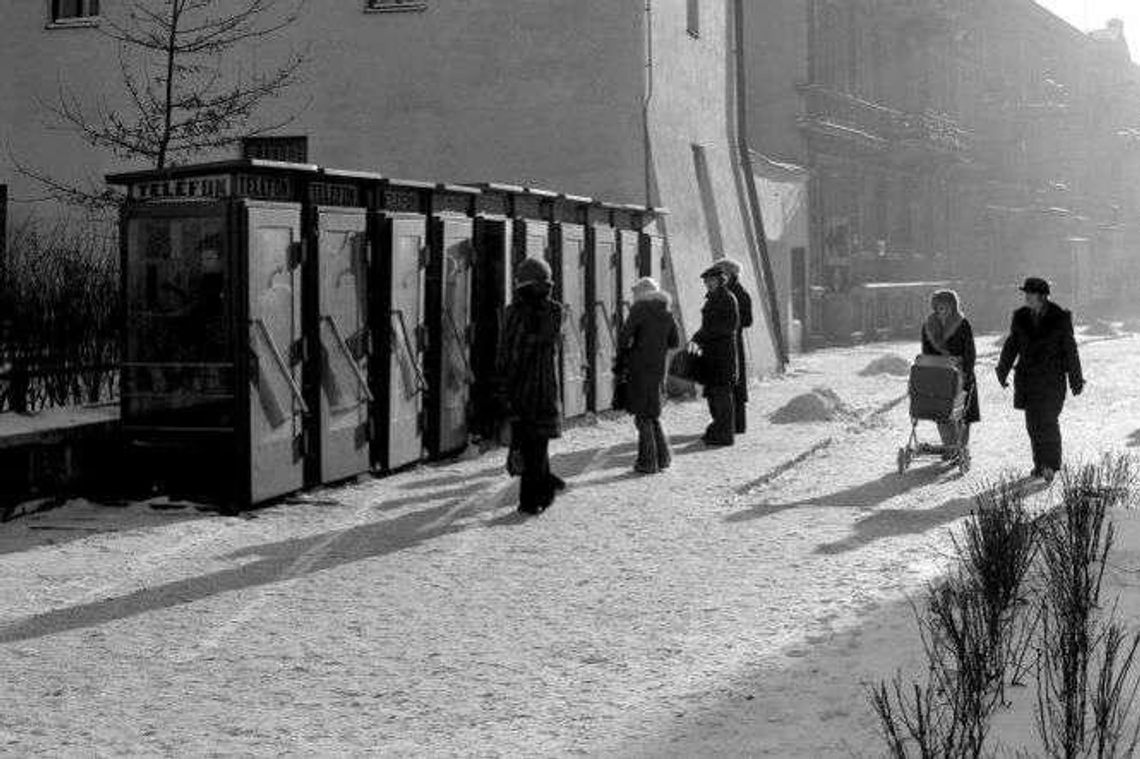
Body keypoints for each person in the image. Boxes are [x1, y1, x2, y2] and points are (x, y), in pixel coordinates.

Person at [995, 276, 1085, 484]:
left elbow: (1070, 349)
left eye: (1030, 293)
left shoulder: (1059, 317)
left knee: (1048, 421)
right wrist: (1002, 370)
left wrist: (1076, 379)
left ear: (1042, 296)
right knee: (1033, 424)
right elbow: (1011, 345)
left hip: (1052, 380)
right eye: (1025, 293)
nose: (1026, 296)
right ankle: (1039, 464)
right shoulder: (1021, 317)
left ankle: (1050, 465)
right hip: (1028, 380)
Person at [496, 257, 566, 513]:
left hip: (521, 389)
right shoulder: (555, 311)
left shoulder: (514, 313)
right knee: (538, 445)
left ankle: (533, 498)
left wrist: (502, 388)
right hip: (547, 390)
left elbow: (510, 354)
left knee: (527, 444)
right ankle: (542, 489)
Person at [617, 277, 680, 474]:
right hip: (658, 367)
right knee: (652, 413)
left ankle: (647, 462)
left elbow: (624, 338)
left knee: (642, 416)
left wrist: (631, 350)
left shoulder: (640, 309)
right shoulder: (667, 311)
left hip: (639, 367)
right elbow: (674, 342)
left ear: (642, 293)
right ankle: (663, 457)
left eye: (635, 293)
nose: (634, 297)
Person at [920, 289, 980, 454]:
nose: (942, 310)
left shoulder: (962, 323)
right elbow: (926, 353)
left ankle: (960, 447)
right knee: (942, 411)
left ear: (953, 306)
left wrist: (967, 372)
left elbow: (970, 351)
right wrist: (929, 371)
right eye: (939, 306)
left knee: (963, 412)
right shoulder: (929, 326)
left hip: (961, 373)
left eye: (946, 306)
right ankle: (949, 446)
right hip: (940, 374)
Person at [690, 264, 739, 446]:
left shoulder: (727, 299)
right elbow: (708, 326)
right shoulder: (712, 299)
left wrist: (706, 334)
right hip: (712, 354)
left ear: (720, 281)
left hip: (723, 355)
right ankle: (718, 429)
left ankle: (725, 434)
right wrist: (697, 337)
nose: (708, 284)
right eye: (706, 282)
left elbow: (729, 326)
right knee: (712, 394)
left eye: (711, 281)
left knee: (721, 395)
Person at [715, 257, 753, 435]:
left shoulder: (739, 293)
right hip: (722, 342)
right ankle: (727, 423)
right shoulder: (723, 292)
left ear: (729, 274)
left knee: (734, 383)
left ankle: (736, 424)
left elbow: (747, 320)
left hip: (732, 342)